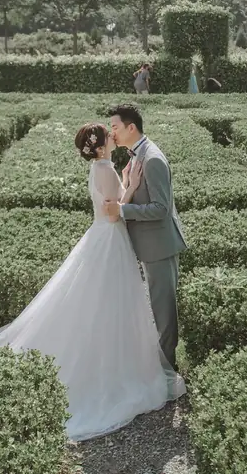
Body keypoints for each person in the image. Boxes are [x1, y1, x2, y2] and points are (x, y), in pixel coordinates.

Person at [0, 119, 185, 441]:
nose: (113, 135)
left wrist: (126, 183)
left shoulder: (101, 167)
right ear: (100, 146)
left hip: (103, 238)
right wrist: (132, 186)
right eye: (108, 134)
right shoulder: (105, 169)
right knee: (112, 302)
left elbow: (112, 203)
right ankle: (114, 364)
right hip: (111, 240)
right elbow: (113, 212)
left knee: (103, 302)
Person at [102, 103, 187, 371]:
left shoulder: (152, 159)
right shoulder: (137, 155)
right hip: (149, 245)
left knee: (163, 313)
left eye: (115, 127)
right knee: (157, 309)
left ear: (131, 128)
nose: (111, 133)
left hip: (159, 247)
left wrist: (122, 210)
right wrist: (127, 183)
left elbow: (161, 209)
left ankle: (167, 371)